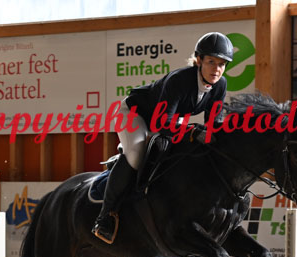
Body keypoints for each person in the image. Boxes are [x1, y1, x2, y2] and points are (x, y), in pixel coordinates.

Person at [92, 32, 234, 244]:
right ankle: (104, 217)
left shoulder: (220, 85)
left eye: (221, 64)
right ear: (199, 60)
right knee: (136, 153)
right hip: (135, 114)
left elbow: (214, 124)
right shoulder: (179, 80)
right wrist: (193, 132)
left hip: (166, 119)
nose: (217, 69)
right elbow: (162, 123)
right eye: (211, 62)